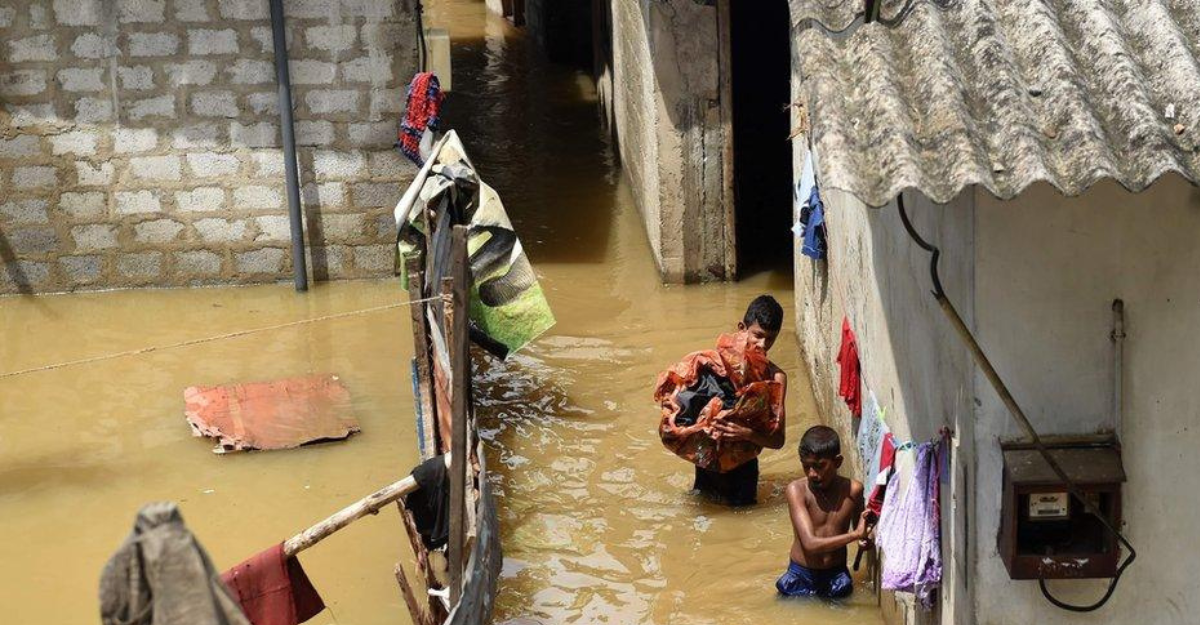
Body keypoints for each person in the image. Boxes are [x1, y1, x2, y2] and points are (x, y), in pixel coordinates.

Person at [692, 295, 788, 506]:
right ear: (742, 328)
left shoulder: (775, 378)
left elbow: (778, 440)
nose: (763, 344)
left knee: (741, 526)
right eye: (757, 335)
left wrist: (746, 433)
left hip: (744, 471)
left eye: (771, 338)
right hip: (706, 463)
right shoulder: (716, 364)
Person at [776, 425, 872, 599]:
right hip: (800, 576)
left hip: (836, 576)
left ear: (838, 462)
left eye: (820, 466)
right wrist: (855, 536)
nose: (812, 473)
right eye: (806, 467)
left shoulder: (854, 490)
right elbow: (810, 544)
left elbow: (862, 532)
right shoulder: (797, 490)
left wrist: (865, 541)